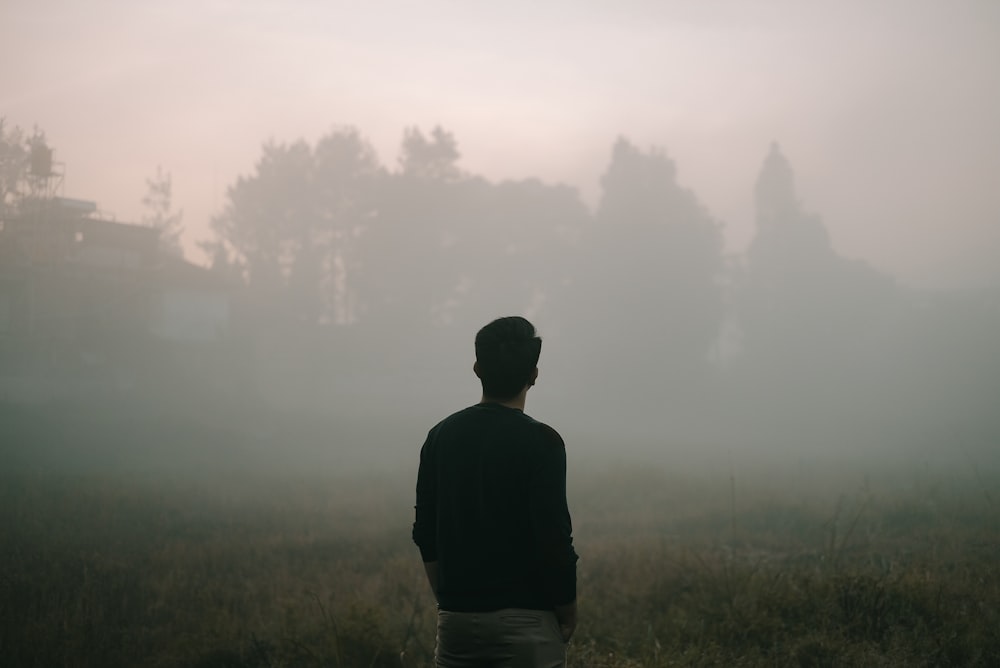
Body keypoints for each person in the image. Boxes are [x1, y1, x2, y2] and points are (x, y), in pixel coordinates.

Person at [412, 316, 579, 668]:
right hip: (528, 627)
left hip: (455, 625)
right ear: (534, 374)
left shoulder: (439, 436)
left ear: (476, 368)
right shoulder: (543, 442)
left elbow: (425, 532)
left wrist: (449, 602)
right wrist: (567, 613)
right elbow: (554, 539)